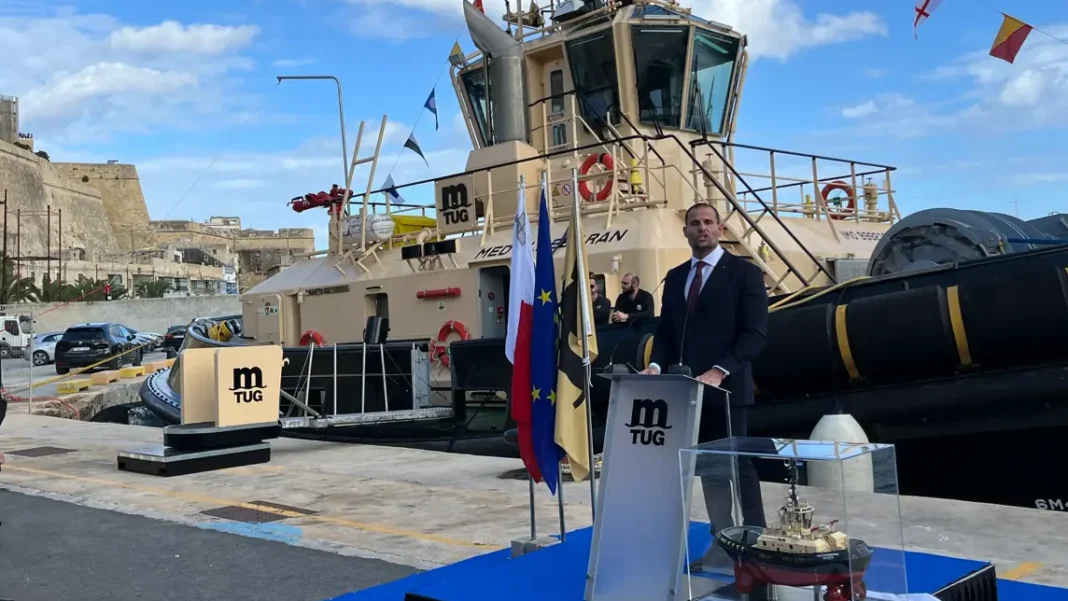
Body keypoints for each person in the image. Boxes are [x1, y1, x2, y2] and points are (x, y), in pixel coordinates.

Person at [640, 202, 769, 571]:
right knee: (709, 470)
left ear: (721, 228)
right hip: (687, 393)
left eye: (709, 223)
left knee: (738, 468)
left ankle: (755, 546)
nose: (702, 229)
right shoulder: (677, 276)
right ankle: (723, 542)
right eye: (694, 223)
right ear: (685, 231)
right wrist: (653, 365)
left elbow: (755, 333)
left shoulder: (744, 274)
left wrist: (719, 370)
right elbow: (666, 332)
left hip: (726, 391)